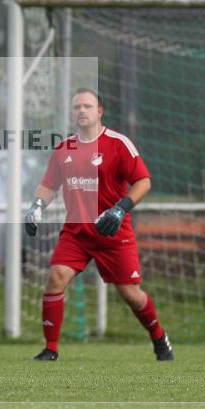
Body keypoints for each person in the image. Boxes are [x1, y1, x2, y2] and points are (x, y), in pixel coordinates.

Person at [24, 88, 173, 361]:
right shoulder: (64, 148)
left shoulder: (118, 144)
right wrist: (36, 206)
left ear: (99, 112)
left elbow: (144, 182)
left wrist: (119, 209)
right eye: (77, 107)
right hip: (77, 233)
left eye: (87, 106)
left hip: (113, 233)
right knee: (56, 278)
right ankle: (51, 349)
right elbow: (48, 185)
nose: (81, 111)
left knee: (131, 295)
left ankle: (159, 337)